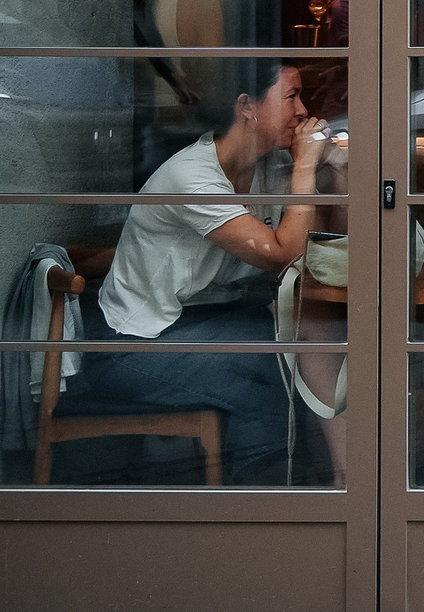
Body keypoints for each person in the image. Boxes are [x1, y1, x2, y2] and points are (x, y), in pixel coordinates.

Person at [85, 59, 328, 480]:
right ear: (247, 106)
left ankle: (322, 482)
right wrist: (306, 167)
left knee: (316, 334)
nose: (304, 109)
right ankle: (257, 505)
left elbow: (317, 251)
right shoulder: (192, 177)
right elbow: (283, 255)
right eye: (291, 96)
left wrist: (333, 171)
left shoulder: (267, 168)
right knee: (271, 364)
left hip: (205, 322)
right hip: (130, 346)